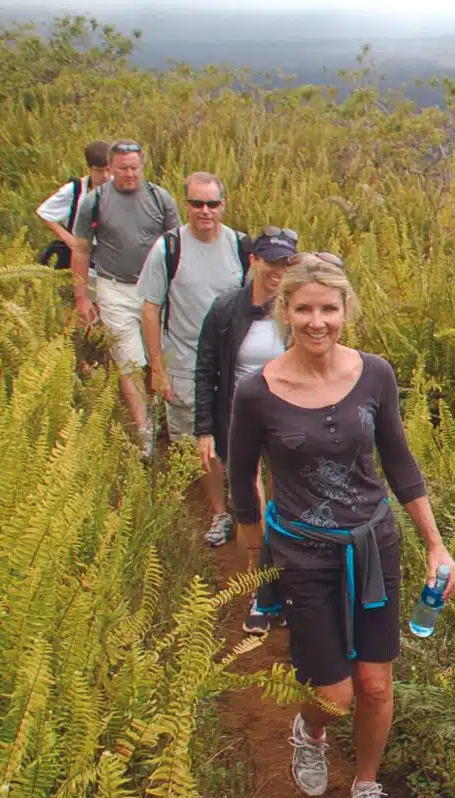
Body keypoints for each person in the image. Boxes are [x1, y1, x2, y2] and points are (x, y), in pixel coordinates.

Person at [226, 254, 455, 798]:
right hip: (302, 554)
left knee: (376, 684)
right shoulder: (257, 393)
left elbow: (398, 460)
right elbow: (241, 481)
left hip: (373, 545)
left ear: (346, 311)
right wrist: (259, 568)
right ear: (286, 311)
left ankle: (366, 788)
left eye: (328, 308)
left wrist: (436, 545)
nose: (317, 321)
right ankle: (309, 732)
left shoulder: (374, 374)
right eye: (304, 308)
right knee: (333, 692)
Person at [136, 171, 248, 545]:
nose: (205, 211)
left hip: (234, 364)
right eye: (197, 203)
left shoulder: (240, 247)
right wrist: (157, 368)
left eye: (212, 204)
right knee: (201, 441)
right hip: (184, 361)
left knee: (241, 434)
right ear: (185, 205)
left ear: (223, 205)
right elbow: (150, 310)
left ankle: (248, 507)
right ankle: (219, 512)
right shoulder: (168, 249)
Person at [197, 226, 299, 631]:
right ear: (253, 260)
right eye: (270, 262)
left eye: (285, 264)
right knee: (249, 502)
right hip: (239, 417)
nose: (276, 271)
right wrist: (204, 429)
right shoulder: (226, 310)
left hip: (289, 416)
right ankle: (262, 586)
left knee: (288, 501)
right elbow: (205, 371)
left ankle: (290, 583)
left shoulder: (298, 311)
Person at [69, 140, 181, 458]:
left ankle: (162, 415)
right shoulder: (96, 201)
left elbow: (177, 246)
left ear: (142, 166)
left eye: (134, 167)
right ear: (110, 168)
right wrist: (81, 297)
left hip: (156, 291)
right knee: (129, 361)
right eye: (122, 168)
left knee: (158, 356)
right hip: (114, 288)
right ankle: (143, 430)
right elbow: (81, 248)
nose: (129, 174)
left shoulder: (160, 199)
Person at [35, 140, 112, 270]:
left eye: (108, 170)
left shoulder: (119, 189)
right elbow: (44, 212)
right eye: (99, 171)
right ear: (89, 168)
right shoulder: (75, 190)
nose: (105, 176)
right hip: (79, 256)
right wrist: (69, 239)